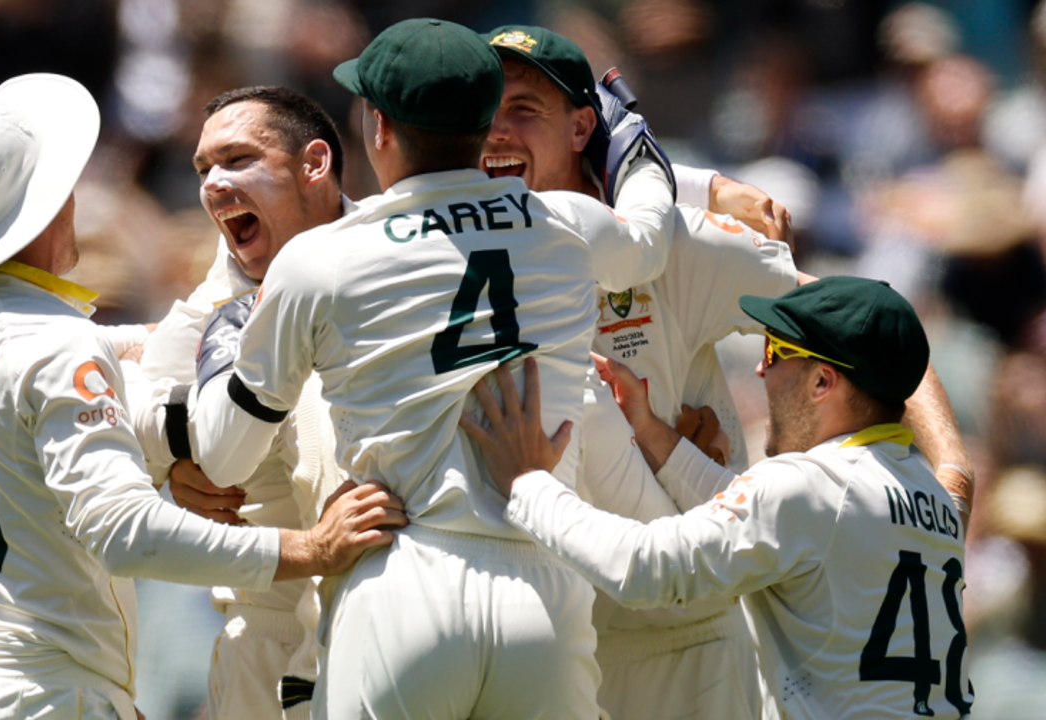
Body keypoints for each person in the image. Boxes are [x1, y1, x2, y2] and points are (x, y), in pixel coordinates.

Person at [481, 24, 978, 720]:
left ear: (581, 127)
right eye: (481, 114)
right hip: (545, 634)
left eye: (523, 111)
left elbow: (871, 327)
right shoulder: (452, 244)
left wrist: (953, 464)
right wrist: (658, 438)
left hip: (687, 643)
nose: (494, 135)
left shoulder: (682, 247)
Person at [190, 17, 675, 719]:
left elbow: (224, 455)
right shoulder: (567, 221)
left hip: (404, 576)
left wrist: (226, 339)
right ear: (484, 125)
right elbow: (650, 241)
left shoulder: (321, 260)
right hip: (544, 587)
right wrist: (634, 147)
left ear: (378, 127)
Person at [0, 73, 405, 720]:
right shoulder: (59, 346)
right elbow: (125, 530)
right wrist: (312, 548)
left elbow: (104, 355)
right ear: (51, 204)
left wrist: (168, 446)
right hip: (40, 693)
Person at [465, 276, 974, 720]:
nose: (760, 370)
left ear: (823, 381)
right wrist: (651, 432)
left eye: (775, 352)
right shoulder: (929, 493)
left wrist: (528, 484)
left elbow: (647, 568)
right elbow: (778, 522)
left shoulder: (809, 486)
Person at [127, 86, 354, 720]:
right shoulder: (225, 282)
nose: (213, 184)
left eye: (236, 160)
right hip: (261, 639)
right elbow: (129, 401)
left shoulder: (388, 255)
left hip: (377, 610)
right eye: (203, 169)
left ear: (314, 164)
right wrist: (178, 460)